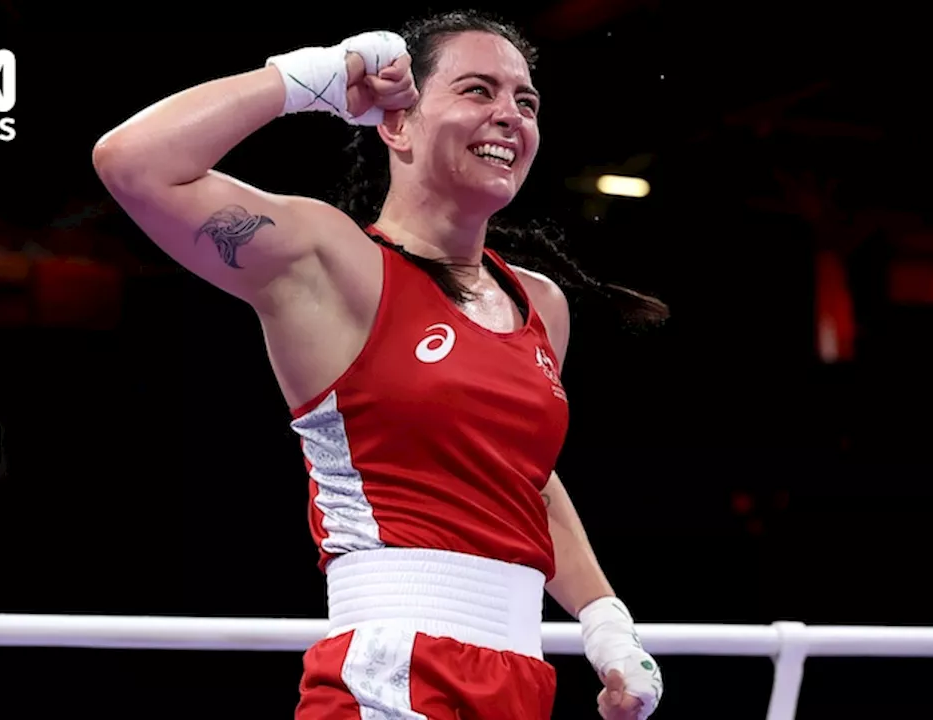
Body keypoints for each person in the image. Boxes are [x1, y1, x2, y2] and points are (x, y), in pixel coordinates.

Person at [93, 9, 666, 719]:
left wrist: (604, 618)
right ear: (397, 125)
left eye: (526, 101)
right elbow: (132, 162)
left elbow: (524, 478)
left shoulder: (540, 304)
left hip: (521, 681)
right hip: (393, 674)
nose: (509, 116)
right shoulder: (331, 263)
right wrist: (306, 79)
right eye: (478, 91)